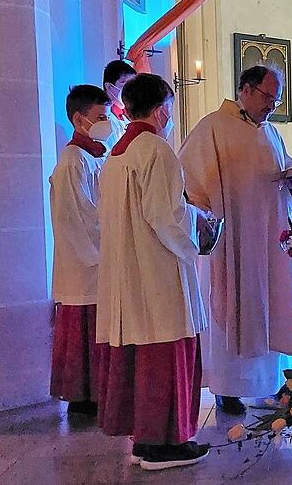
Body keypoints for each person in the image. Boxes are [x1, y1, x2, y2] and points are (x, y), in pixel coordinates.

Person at [95, 73, 209, 470]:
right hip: (158, 271)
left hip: (128, 271)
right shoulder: (156, 151)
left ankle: (146, 441)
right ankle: (166, 443)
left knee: (146, 356)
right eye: (171, 109)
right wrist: (199, 234)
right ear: (162, 110)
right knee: (166, 352)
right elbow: (166, 216)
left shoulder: (116, 155)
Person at [180, 64, 292, 415]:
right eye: (268, 97)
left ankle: (268, 381)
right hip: (232, 239)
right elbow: (187, 176)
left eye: (277, 99)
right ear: (246, 90)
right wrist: (206, 213)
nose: (272, 105)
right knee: (233, 304)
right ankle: (227, 387)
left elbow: (285, 171)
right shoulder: (213, 128)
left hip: (269, 238)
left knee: (267, 302)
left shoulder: (271, 133)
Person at [48, 85, 112, 416]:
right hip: (84, 263)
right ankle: (82, 395)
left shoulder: (94, 155)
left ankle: (96, 392)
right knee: (83, 328)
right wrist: (106, 248)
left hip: (97, 258)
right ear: (78, 119)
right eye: (101, 116)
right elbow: (76, 216)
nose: (108, 122)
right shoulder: (72, 161)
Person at [102, 59, 137, 144]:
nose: (130, 90)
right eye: (125, 84)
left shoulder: (125, 117)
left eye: (133, 84)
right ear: (109, 86)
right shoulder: (104, 119)